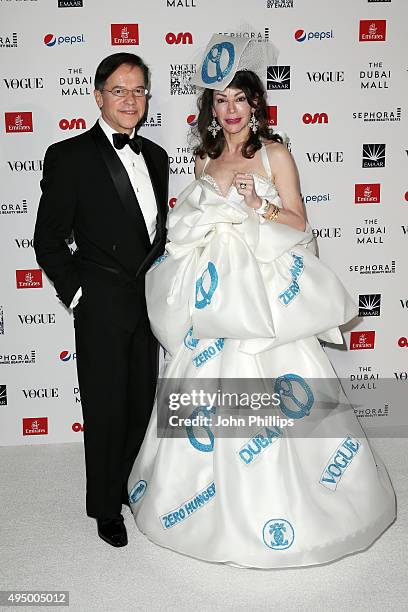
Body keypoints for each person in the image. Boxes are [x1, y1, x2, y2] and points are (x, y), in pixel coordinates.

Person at [127, 35, 396, 568]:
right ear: (210, 107)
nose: (229, 110)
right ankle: (200, 503)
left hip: (266, 298)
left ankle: (306, 503)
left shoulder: (275, 154)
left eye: (239, 99)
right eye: (220, 100)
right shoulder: (204, 158)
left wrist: (259, 208)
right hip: (214, 296)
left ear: (255, 104)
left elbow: (299, 222)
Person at [34, 53, 169, 548]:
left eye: (139, 91)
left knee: (138, 402)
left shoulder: (156, 156)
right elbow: (47, 240)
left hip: (145, 300)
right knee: (105, 406)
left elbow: (154, 233)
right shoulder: (68, 155)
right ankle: (104, 507)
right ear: (98, 96)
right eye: (119, 90)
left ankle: (131, 487)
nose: (130, 99)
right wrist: (78, 294)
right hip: (100, 302)